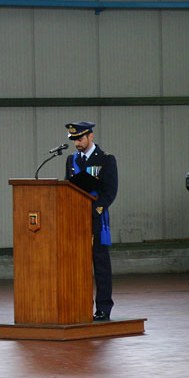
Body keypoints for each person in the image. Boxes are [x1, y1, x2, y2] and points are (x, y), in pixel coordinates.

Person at [64, 121, 118, 321]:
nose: (77, 143)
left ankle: (103, 307)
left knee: (100, 264)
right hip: (76, 219)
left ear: (91, 136)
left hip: (95, 218)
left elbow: (110, 191)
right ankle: (80, 305)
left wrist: (93, 210)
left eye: (80, 138)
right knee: (78, 264)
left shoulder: (106, 159)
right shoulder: (72, 160)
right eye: (74, 140)